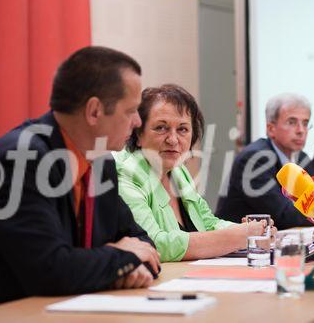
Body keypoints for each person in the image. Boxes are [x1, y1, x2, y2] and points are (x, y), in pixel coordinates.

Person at [0, 46, 161, 313]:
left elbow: (143, 244)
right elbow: (50, 270)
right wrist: (121, 259)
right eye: (131, 110)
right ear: (94, 111)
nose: (137, 121)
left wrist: (123, 262)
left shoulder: (101, 163)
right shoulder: (20, 159)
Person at [114, 84, 269, 262]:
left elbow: (208, 223)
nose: (173, 140)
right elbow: (152, 243)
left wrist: (255, 230)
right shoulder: (126, 172)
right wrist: (240, 236)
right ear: (138, 134)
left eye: (182, 129)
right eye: (161, 128)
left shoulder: (179, 171)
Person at [216, 93, 314, 230]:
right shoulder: (254, 160)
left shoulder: (303, 159)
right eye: (292, 122)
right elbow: (284, 215)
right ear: (271, 129)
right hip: (241, 247)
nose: (301, 131)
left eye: (305, 123)